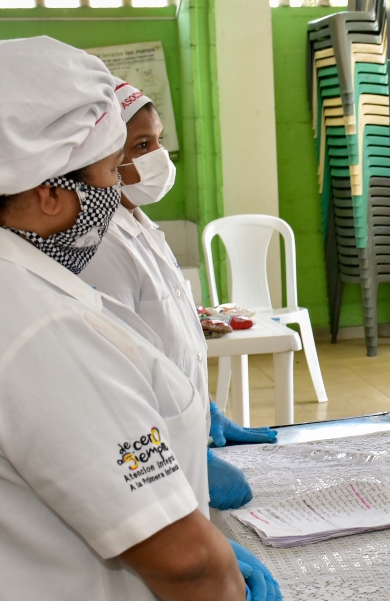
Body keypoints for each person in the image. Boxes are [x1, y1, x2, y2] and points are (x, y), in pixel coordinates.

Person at [0, 37, 278, 601]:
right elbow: (185, 564)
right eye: (109, 173)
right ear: (52, 194)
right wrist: (213, 568)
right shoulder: (39, 330)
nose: (117, 193)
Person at [81, 79, 276, 511]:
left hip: (181, 431)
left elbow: (164, 339)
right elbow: (116, 371)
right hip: (152, 455)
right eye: (141, 145)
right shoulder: (99, 243)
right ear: (102, 154)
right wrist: (175, 454)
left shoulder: (139, 223)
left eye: (159, 140)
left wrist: (202, 409)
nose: (158, 158)